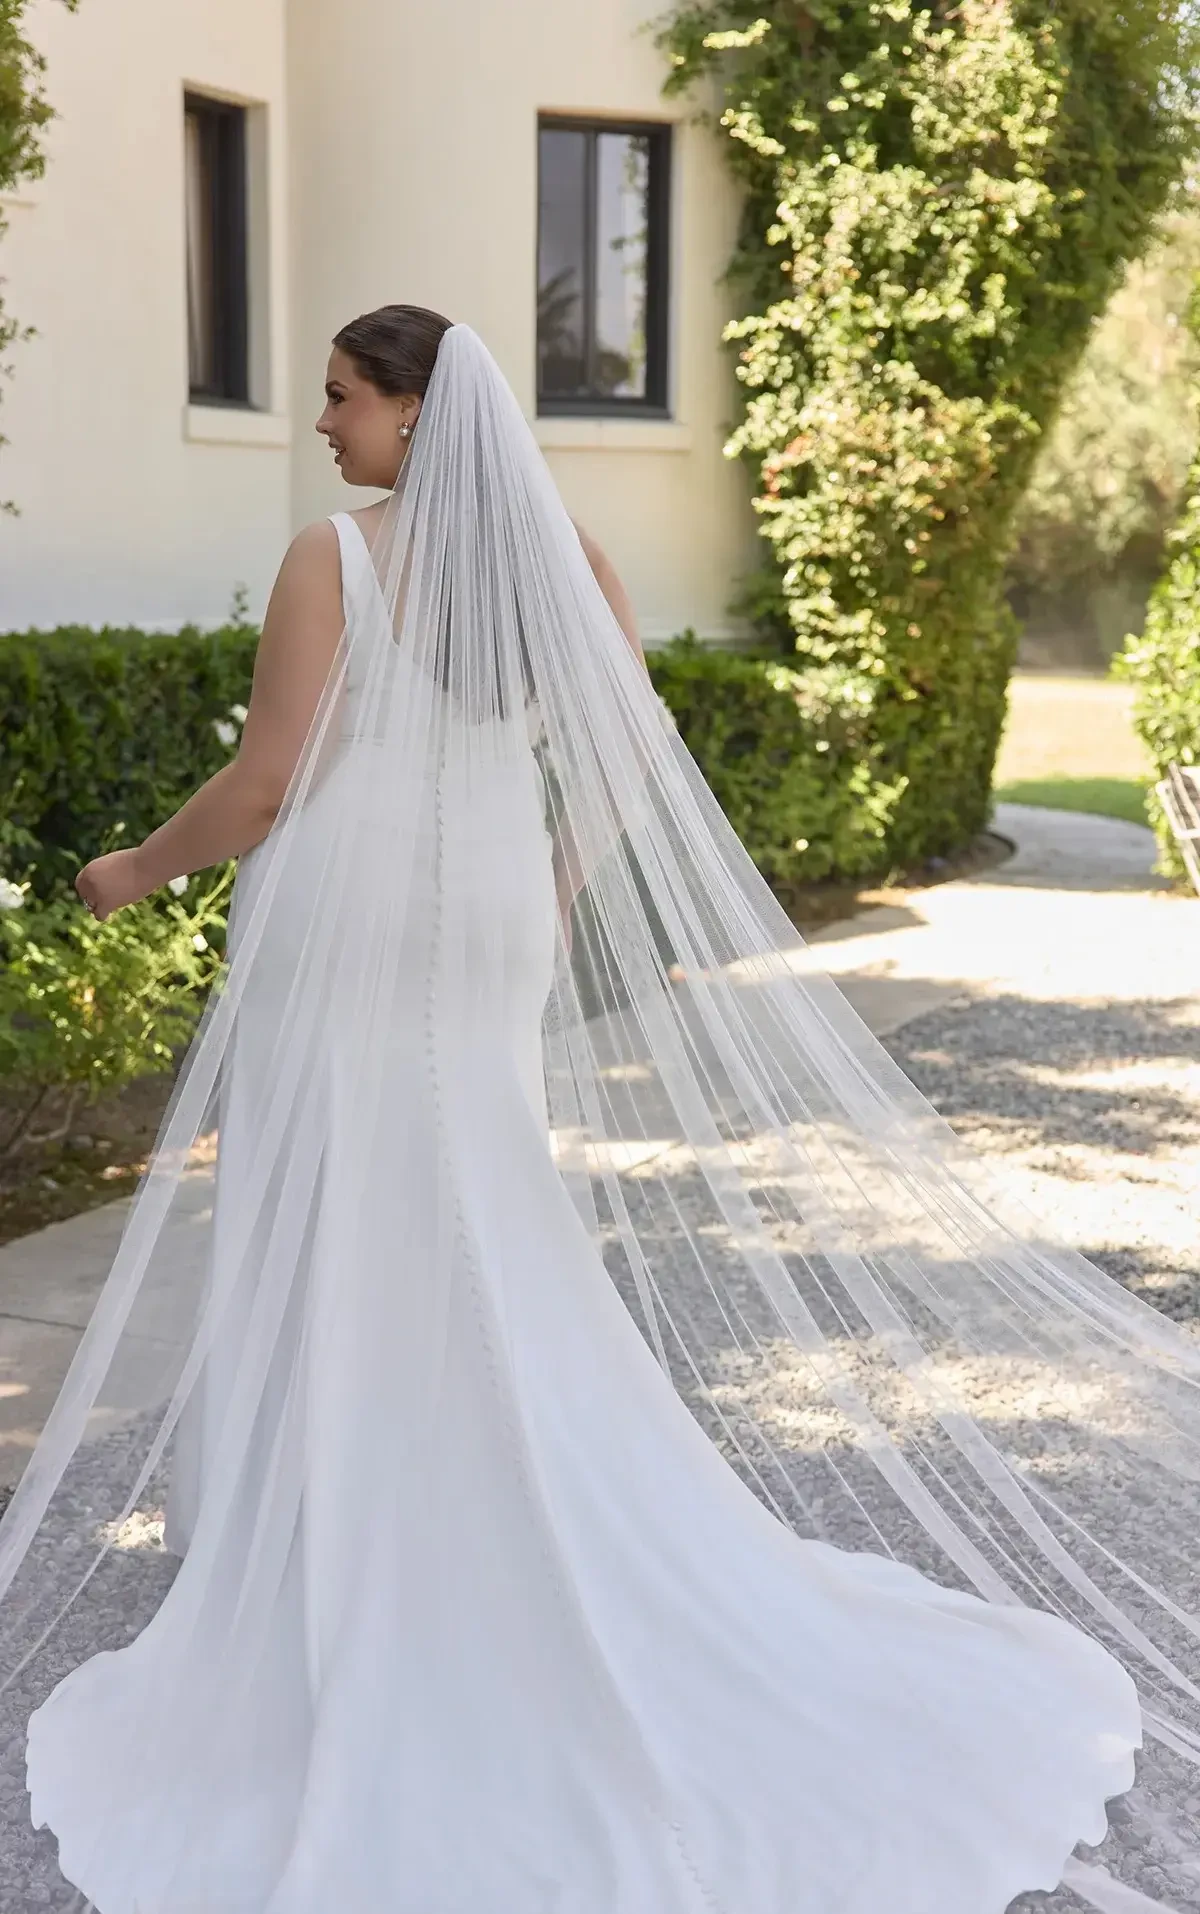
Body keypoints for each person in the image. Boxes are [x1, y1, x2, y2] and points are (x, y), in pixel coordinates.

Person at [1, 306, 1197, 1914]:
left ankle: (363, 1534)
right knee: (475, 1198)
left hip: (360, 935)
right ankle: (481, 1496)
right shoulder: (558, 556)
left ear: (416, 413)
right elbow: (632, 750)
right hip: (489, 927)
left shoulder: (331, 559)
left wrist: (134, 866)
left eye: (344, 397)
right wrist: (556, 887)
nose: (324, 424)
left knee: (353, 1203)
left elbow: (271, 784)